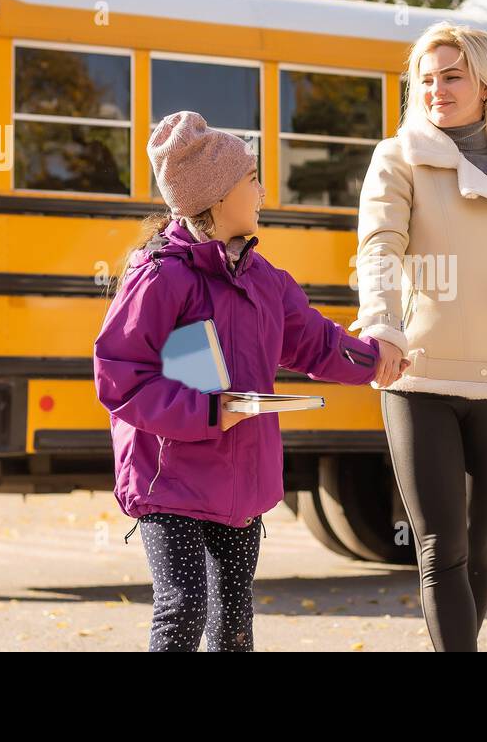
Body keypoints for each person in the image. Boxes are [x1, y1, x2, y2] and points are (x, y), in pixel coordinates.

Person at [93, 111, 387, 651]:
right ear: (220, 195)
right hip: (170, 483)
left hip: (240, 486)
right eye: (253, 179)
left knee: (233, 625)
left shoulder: (265, 279)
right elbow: (121, 378)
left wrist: (376, 360)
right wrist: (210, 411)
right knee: (182, 610)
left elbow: (316, 343)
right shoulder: (160, 275)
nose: (263, 191)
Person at [351, 21, 487, 651]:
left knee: (480, 545)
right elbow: (379, 251)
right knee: (441, 547)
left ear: (484, 85)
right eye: (425, 79)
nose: (436, 90)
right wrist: (382, 327)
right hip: (419, 376)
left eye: (451, 76)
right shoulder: (399, 158)